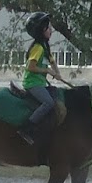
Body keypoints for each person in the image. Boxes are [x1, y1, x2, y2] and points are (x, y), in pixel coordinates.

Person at [18, 11, 69, 146]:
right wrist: (47, 70)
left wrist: (57, 73)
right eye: (48, 27)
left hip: (40, 83)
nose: (51, 30)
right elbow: (30, 67)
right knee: (49, 103)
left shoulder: (45, 47)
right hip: (32, 83)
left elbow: (52, 62)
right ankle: (27, 128)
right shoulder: (38, 48)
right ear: (41, 30)